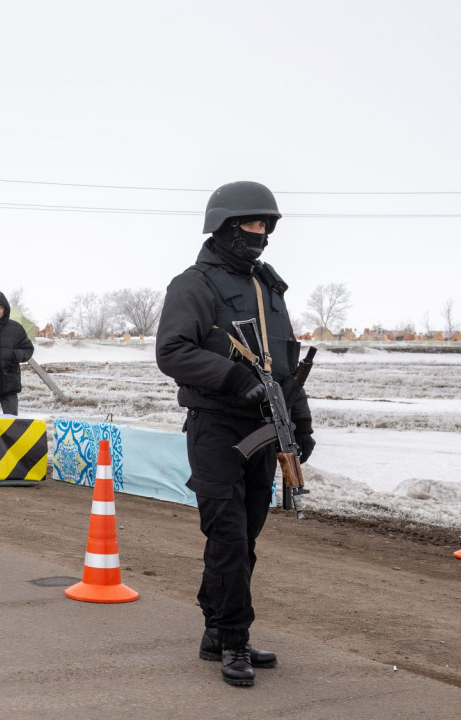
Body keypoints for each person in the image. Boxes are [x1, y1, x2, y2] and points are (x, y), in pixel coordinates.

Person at [155, 181, 314, 687]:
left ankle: (214, 631)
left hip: (264, 429)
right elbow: (173, 352)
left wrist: (300, 417)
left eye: (267, 225)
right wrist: (234, 378)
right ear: (225, 227)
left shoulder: (267, 287)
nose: (262, 234)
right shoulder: (193, 285)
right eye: (252, 224)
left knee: (246, 538)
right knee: (226, 536)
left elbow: (285, 362)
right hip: (216, 425)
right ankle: (235, 640)